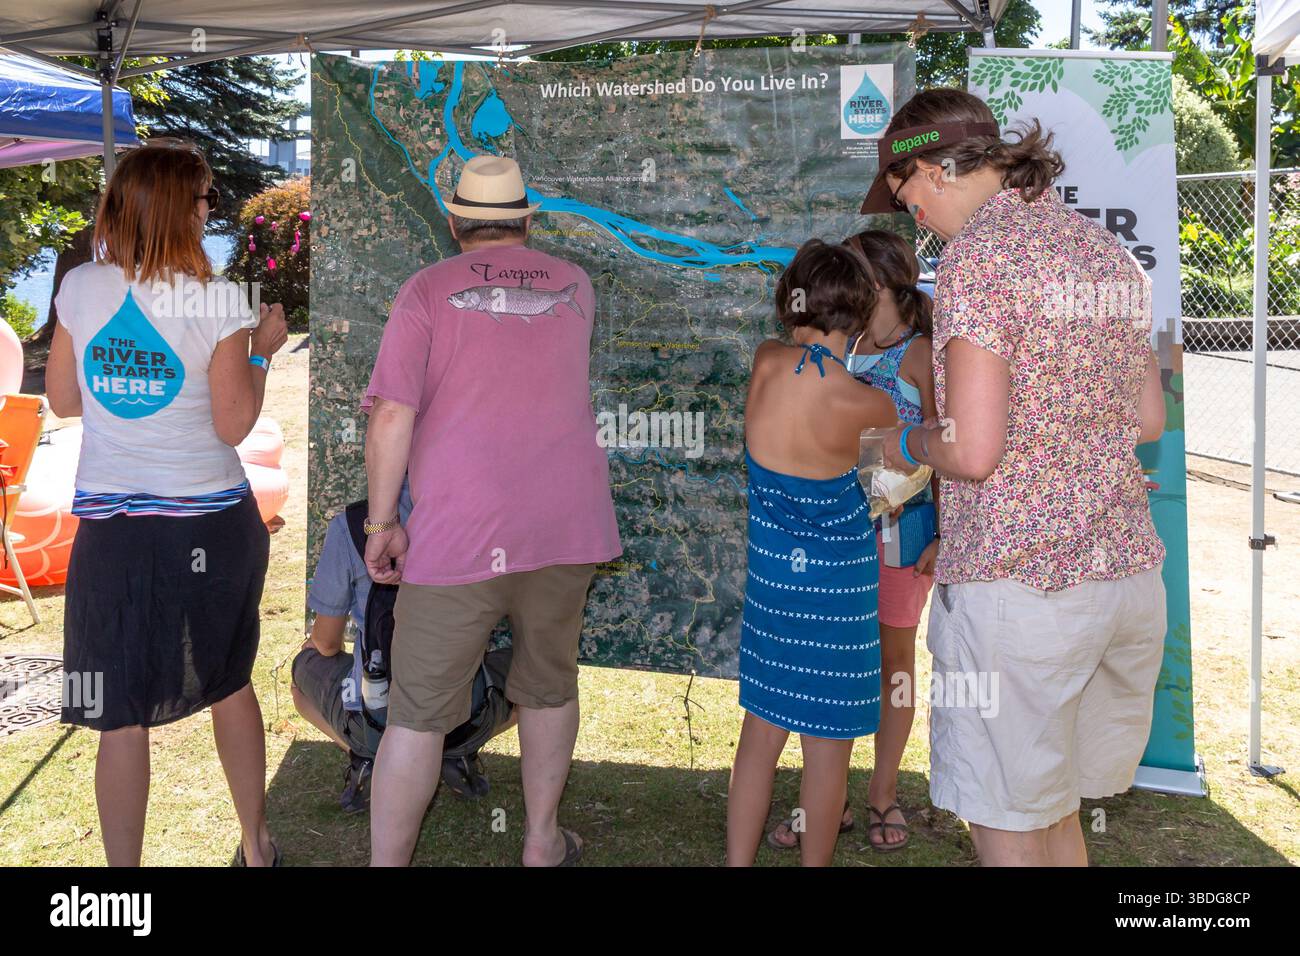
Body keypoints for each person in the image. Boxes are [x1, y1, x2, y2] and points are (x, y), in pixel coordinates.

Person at [861, 88, 1168, 866]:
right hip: (1123, 579)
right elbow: (1148, 422)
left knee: (1006, 821)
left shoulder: (980, 257)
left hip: (1020, 593)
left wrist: (905, 441)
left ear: (934, 169)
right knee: (1053, 811)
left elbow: (971, 451)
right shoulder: (1106, 251)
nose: (916, 221)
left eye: (909, 198)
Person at [361, 155, 621, 867]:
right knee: (547, 684)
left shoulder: (425, 290)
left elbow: (390, 417)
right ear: (527, 219)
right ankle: (541, 840)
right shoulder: (575, 284)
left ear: (452, 221)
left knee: (415, 716)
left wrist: (381, 526)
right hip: (565, 526)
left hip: (459, 534)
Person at [45, 139, 288, 866]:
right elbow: (234, 425)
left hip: (114, 530)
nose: (212, 207)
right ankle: (256, 845)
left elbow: (60, 400)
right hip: (209, 521)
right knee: (227, 680)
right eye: (206, 196)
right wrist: (263, 350)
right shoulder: (219, 299)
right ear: (180, 209)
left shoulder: (82, 288)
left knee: (118, 714)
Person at [765, 229, 940, 853]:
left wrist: (946, 532)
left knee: (894, 666)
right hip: (835, 542)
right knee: (828, 669)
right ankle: (825, 800)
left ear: (887, 284)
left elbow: (951, 445)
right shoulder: (845, 346)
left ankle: (882, 793)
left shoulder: (923, 354)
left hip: (900, 539)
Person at [725, 239, 898, 867]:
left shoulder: (766, 363)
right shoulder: (868, 404)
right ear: (858, 311)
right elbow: (884, 492)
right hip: (840, 601)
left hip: (774, 588)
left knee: (759, 738)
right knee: (828, 755)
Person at [291, 481, 517, 812]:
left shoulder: (351, 527)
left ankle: (369, 757)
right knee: (543, 676)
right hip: (464, 721)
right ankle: (448, 754)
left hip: (372, 725)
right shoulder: (485, 521)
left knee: (302, 677)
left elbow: (325, 644)